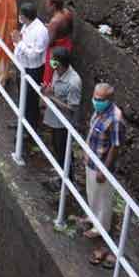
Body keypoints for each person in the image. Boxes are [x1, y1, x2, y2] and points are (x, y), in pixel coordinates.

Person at [82, 83, 125, 269]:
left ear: (109, 100)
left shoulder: (115, 119)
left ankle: (102, 228)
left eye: (100, 99)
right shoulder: (99, 112)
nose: (96, 101)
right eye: (95, 97)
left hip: (101, 165)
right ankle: (93, 219)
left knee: (103, 198)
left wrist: (104, 170)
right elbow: (92, 131)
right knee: (92, 193)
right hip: (91, 160)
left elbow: (115, 147)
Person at [41, 47, 82, 191]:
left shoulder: (74, 82)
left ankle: (68, 181)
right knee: (57, 148)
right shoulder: (57, 72)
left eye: (53, 60)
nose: (51, 62)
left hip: (64, 124)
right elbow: (54, 90)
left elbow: (72, 108)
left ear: (60, 63)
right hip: (54, 118)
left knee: (64, 151)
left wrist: (51, 96)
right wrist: (49, 90)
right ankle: (60, 175)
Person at [12, 2, 49, 130]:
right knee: (22, 96)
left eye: (20, 15)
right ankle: (22, 121)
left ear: (25, 16)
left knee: (31, 100)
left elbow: (34, 55)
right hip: (22, 66)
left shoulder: (40, 32)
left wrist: (19, 43)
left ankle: (31, 127)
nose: (19, 17)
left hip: (33, 70)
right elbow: (21, 44)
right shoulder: (26, 26)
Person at [42, 0, 74, 87]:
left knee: (50, 74)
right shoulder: (67, 13)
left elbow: (50, 42)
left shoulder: (54, 21)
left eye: (48, 4)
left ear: (54, 5)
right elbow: (70, 30)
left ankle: (48, 93)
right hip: (66, 44)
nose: (46, 6)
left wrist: (49, 30)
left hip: (55, 49)